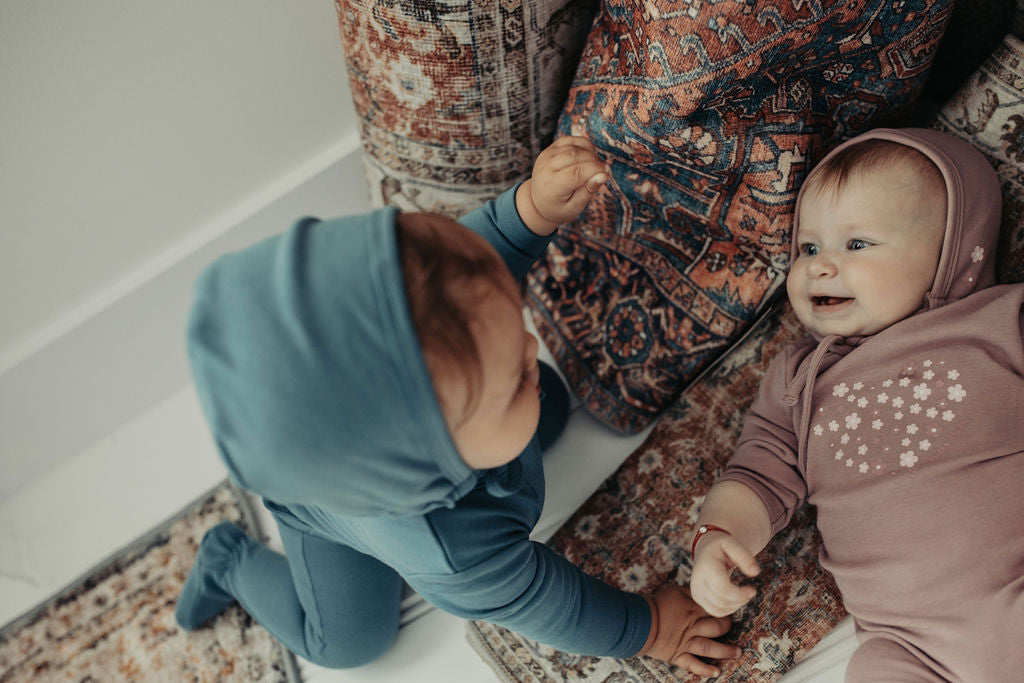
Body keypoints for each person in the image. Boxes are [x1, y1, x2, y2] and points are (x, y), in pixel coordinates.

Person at [175, 136, 739, 675]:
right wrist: (650, 629)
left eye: (514, 334)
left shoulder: (444, 314)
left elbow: (474, 266)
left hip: (412, 452)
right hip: (321, 521)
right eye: (514, 378)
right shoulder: (458, 553)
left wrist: (531, 210)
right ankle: (228, 560)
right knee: (348, 644)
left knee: (551, 405)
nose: (529, 347)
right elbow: (551, 602)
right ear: (432, 464)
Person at [689, 127, 1024, 681]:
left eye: (858, 244)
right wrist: (718, 535)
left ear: (951, 251)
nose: (820, 265)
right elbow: (758, 471)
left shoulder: (997, 325)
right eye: (809, 247)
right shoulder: (798, 376)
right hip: (906, 643)